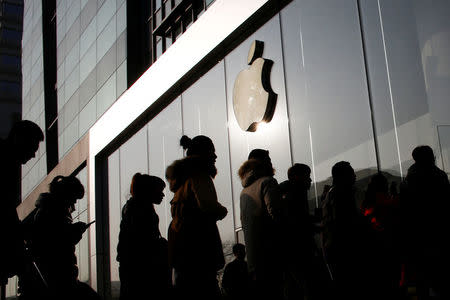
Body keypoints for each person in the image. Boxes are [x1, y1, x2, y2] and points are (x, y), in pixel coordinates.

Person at [166, 135, 228, 300]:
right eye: (212, 152)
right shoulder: (200, 176)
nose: (215, 156)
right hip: (200, 253)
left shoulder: (180, 184)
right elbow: (209, 207)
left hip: (182, 255)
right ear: (202, 153)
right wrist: (223, 210)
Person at [27, 175, 99, 300]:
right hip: (57, 281)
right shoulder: (50, 214)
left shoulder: (48, 212)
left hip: (59, 280)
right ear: (65, 196)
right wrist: (74, 231)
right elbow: (54, 244)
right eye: (73, 200)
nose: (74, 206)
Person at [399, 145, 450, 299]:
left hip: (416, 235)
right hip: (438, 232)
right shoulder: (439, 176)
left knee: (422, 276)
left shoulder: (408, 180)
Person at [0, 120, 43, 287]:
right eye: (32, 148)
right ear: (19, 139)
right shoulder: (6, 163)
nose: (33, 155)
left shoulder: (8, 161)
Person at [321, 161, 371, 300]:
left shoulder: (329, 195)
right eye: (351, 173)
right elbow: (347, 222)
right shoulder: (345, 194)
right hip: (347, 249)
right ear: (343, 176)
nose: (354, 176)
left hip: (333, 248)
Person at [238, 149, 283, 299]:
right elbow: (277, 214)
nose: (271, 162)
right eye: (268, 159)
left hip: (254, 258)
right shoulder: (267, 182)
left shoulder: (244, 192)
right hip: (271, 254)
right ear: (263, 163)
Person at [117, 173, 169, 300]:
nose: (163, 195)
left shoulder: (131, 207)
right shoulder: (141, 210)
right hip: (142, 269)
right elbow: (143, 242)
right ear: (149, 191)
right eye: (160, 191)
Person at [279, 163, 326, 300]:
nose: (310, 180)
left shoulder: (289, 192)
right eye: (307, 176)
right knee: (309, 286)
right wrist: (318, 227)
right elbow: (299, 221)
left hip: (291, 250)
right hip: (299, 249)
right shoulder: (295, 193)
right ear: (297, 177)